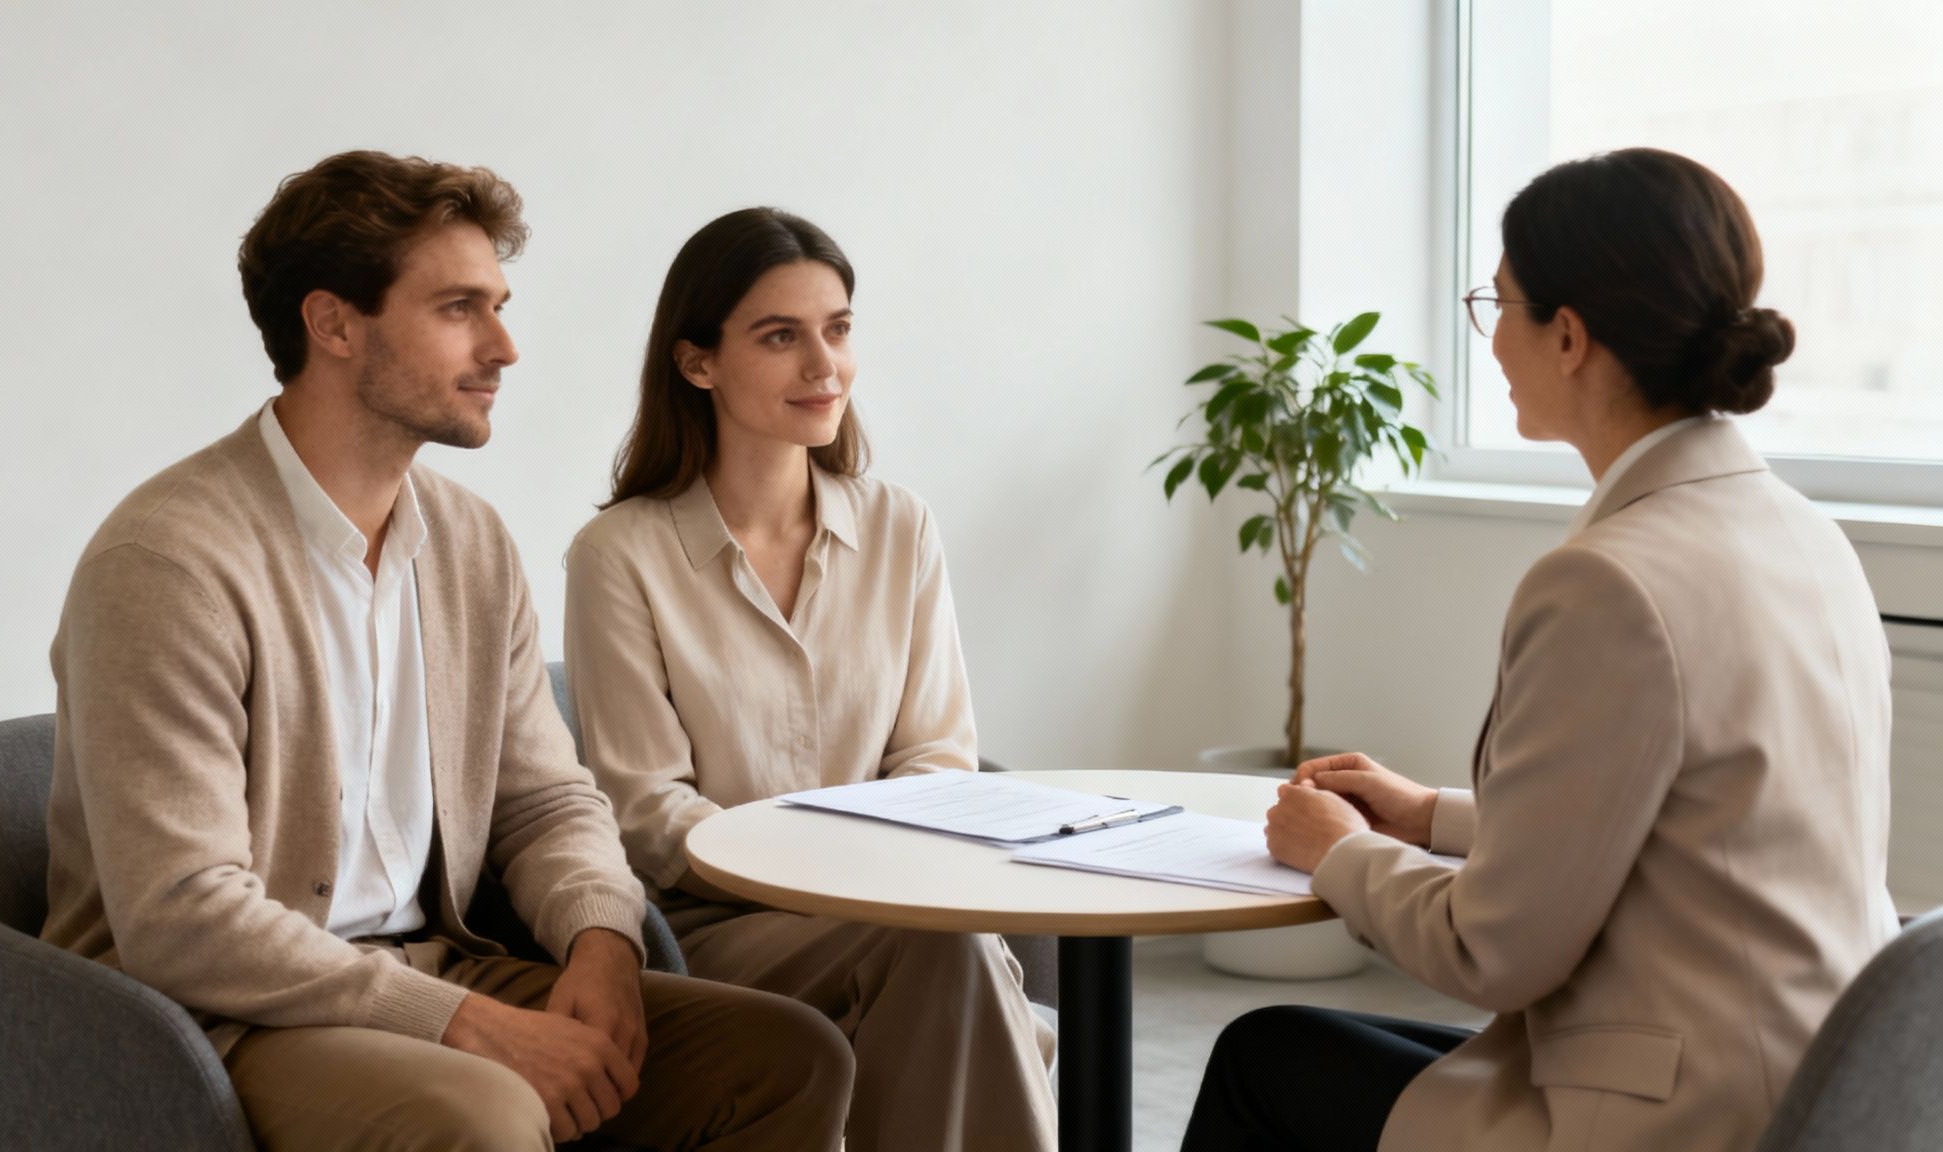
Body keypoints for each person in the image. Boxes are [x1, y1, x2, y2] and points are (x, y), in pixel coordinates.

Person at [42, 151, 853, 1151]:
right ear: (335, 324)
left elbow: (546, 803)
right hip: (227, 1015)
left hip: (443, 960)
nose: (505, 346)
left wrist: (600, 946)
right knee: (483, 1113)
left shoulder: (469, 543)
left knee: (785, 1056)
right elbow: (184, 917)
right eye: (459, 309)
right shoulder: (168, 561)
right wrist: (468, 1027)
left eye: (498, 305)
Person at [1183, 147, 1896, 1152]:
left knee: (1267, 1062)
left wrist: (1341, 853)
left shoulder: (1608, 582)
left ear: (1566, 336)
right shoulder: (1799, 532)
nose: (1487, 338)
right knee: (1298, 1047)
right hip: (1811, 1084)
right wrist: (1428, 815)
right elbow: (1696, 823)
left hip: (1674, 1116)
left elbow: (1492, 951)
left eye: (1497, 303)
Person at [563, 207, 1057, 1152]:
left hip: (900, 914)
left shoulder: (901, 527)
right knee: (961, 966)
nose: (823, 366)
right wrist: (832, 875)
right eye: (780, 337)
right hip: (713, 931)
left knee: (946, 956)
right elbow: (646, 808)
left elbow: (936, 756)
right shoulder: (617, 555)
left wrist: (874, 875)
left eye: (837, 329)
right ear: (697, 362)